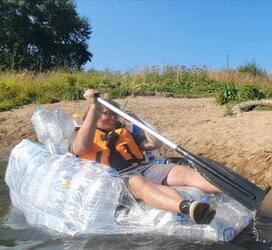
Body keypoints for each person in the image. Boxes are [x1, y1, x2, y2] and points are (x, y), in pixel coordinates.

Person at [71, 89, 221, 224]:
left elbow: (155, 144)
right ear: (94, 114)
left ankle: (225, 188)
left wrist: (137, 120)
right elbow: (81, 147)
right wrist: (93, 105)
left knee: (181, 171)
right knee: (138, 182)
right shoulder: (80, 135)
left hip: (142, 168)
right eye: (106, 113)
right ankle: (188, 207)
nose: (112, 118)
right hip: (114, 179)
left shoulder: (122, 133)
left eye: (114, 114)